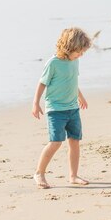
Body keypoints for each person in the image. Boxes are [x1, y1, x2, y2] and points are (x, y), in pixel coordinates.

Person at [32, 27, 92, 189]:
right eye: (79, 51)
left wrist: (80, 96)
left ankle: (73, 176)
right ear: (69, 47)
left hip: (72, 108)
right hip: (56, 110)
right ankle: (39, 173)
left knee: (75, 141)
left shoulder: (75, 61)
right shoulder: (54, 63)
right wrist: (36, 103)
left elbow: (72, 81)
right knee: (56, 142)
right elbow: (42, 83)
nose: (81, 55)